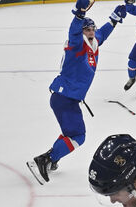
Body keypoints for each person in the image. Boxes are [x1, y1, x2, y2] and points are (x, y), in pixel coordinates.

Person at [25, 0, 127, 185]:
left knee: (69, 133)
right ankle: (44, 160)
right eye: (87, 30)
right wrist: (79, 15)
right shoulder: (76, 45)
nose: (91, 32)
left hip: (67, 99)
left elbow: (102, 33)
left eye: (92, 29)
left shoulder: (93, 43)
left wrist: (114, 19)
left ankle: (52, 159)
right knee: (78, 136)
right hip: (64, 98)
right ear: (81, 32)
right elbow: (73, 32)